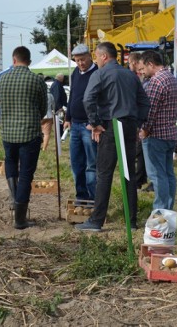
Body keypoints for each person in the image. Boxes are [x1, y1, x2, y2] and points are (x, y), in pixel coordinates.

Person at [75, 42, 150, 232]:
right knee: (128, 175)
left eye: (96, 56)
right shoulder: (130, 75)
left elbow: (87, 98)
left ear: (103, 57)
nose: (96, 60)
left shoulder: (100, 74)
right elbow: (144, 101)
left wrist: (95, 122)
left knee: (104, 174)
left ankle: (97, 220)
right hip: (129, 126)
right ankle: (131, 221)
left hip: (111, 126)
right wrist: (138, 123)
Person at [0, 46, 48, 228]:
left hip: (8, 133)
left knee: (10, 163)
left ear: (14, 60)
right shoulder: (36, 80)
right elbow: (43, 107)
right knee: (26, 173)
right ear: (29, 61)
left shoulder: (2, 80)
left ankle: (13, 197)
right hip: (29, 132)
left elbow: (1, 103)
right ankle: (20, 219)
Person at [139, 50, 177, 210]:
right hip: (170, 133)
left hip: (156, 136)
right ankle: (168, 207)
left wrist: (145, 130)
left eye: (143, 68)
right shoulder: (171, 78)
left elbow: (150, 111)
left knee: (157, 175)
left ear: (150, 64)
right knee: (168, 174)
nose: (142, 72)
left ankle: (160, 210)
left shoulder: (156, 81)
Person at [63, 44, 99, 203]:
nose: (80, 63)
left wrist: (95, 122)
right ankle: (81, 196)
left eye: (83, 60)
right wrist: (68, 118)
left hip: (89, 125)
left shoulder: (97, 73)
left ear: (90, 56)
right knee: (76, 163)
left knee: (91, 164)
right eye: (77, 61)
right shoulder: (75, 73)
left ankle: (93, 198)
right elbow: (73, 97)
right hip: (75, 125)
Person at [128, 51, 150, 191]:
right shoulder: (139, 77)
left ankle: (139, 178)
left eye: (129, 63)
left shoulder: (139, 78)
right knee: (141, 151)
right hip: (141, 118)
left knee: (140, 150)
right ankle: (141, 177)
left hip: (142, 119)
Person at [41, 83, 55, 150]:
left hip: (40, 115)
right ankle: (44, 148)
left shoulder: (39, 94)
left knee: (37, 133)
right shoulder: (50, 95)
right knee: (46, 133)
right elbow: (53, 105)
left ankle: (38, 146)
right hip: (49, 115)